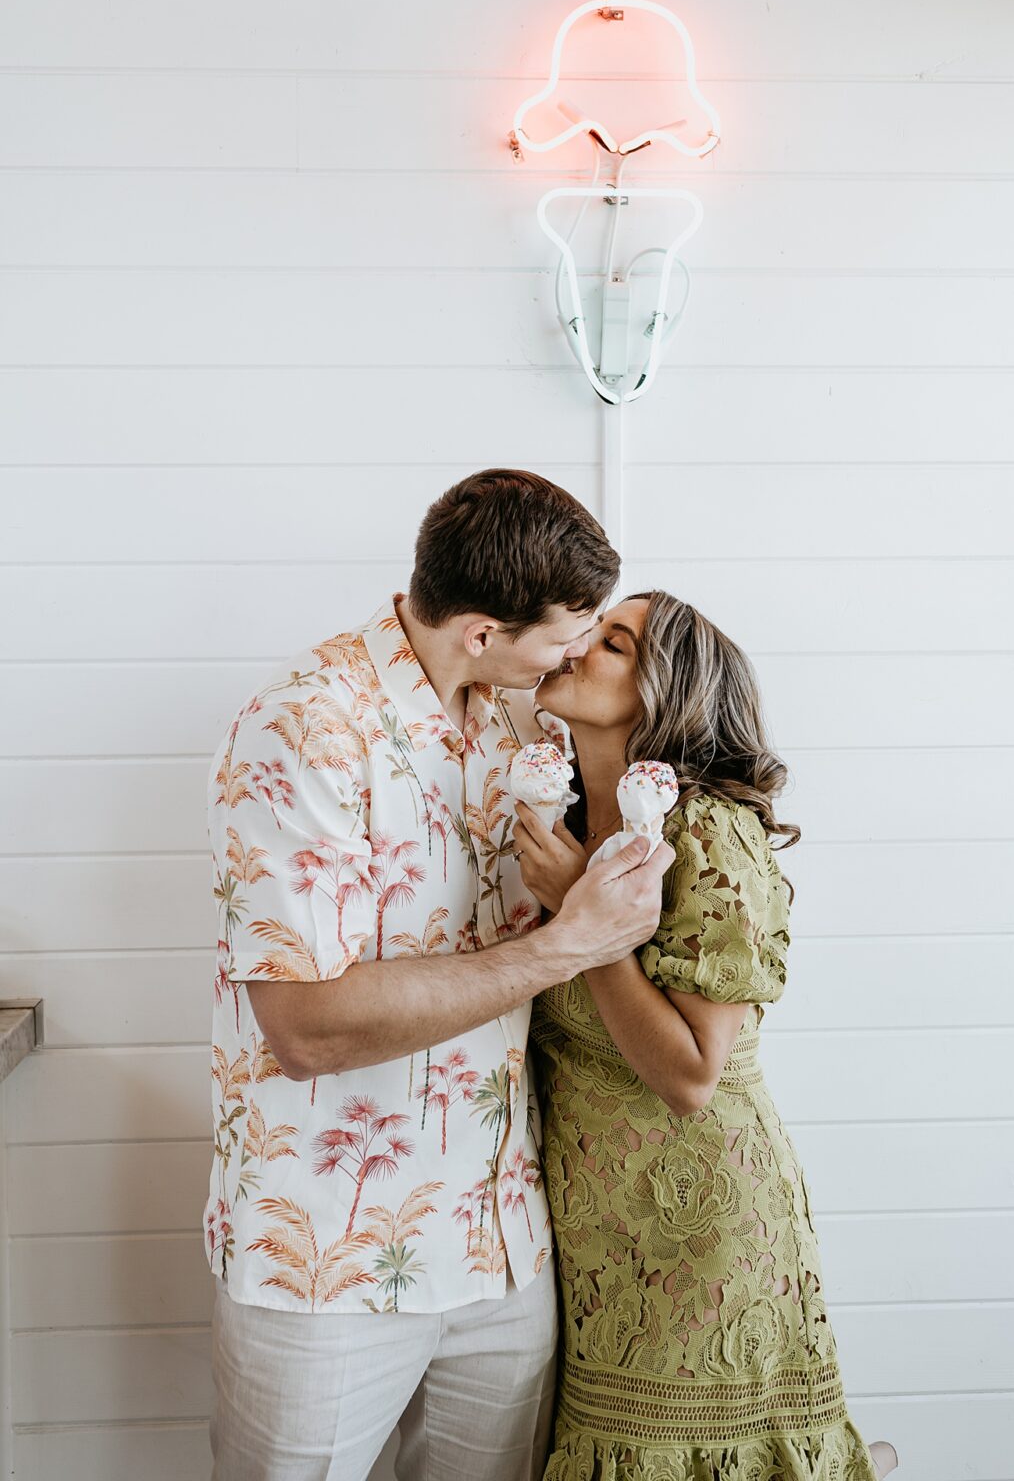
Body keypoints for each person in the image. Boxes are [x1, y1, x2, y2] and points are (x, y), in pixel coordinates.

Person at [204, 471, 673, 1481]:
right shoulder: (305, 726)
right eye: (563, 636)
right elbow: (306, 1025)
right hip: (325, 1260)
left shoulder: (526, 722)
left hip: (504, 1243)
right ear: (477, 630)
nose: (576, 656)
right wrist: (566, 946)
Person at [514, 590, 899, 1481]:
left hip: (704, 1225)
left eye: (611, 643)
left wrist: (582, 915)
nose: (578, 645)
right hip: (595, 1233)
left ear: (664, 694)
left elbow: (690, 1076)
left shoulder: (707, 831)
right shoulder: (567, 824)